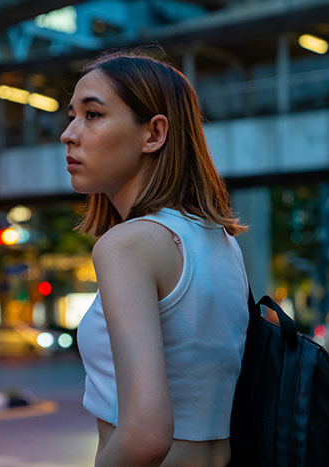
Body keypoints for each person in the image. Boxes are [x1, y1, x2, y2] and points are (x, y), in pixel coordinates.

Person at [61, 50, 250, 467]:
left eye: (92, 115)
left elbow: (144, 435)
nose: (69, 133)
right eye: (72, 115)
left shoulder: (127, 246)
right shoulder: (220, 241)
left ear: (154, 134)